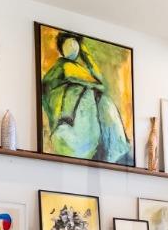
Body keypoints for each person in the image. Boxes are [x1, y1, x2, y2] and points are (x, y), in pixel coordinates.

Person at [40, 32, 132, 163]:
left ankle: (114, 151)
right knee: (99, 99)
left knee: (102, 101)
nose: (73, 47)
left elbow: (98, 81)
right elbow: (99, 83)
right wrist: (85, 54)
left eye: (75, 43)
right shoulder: (64, 66)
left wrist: (84, 52)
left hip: (76, 129)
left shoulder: (71, 67)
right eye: (70, 43)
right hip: (71, 132)